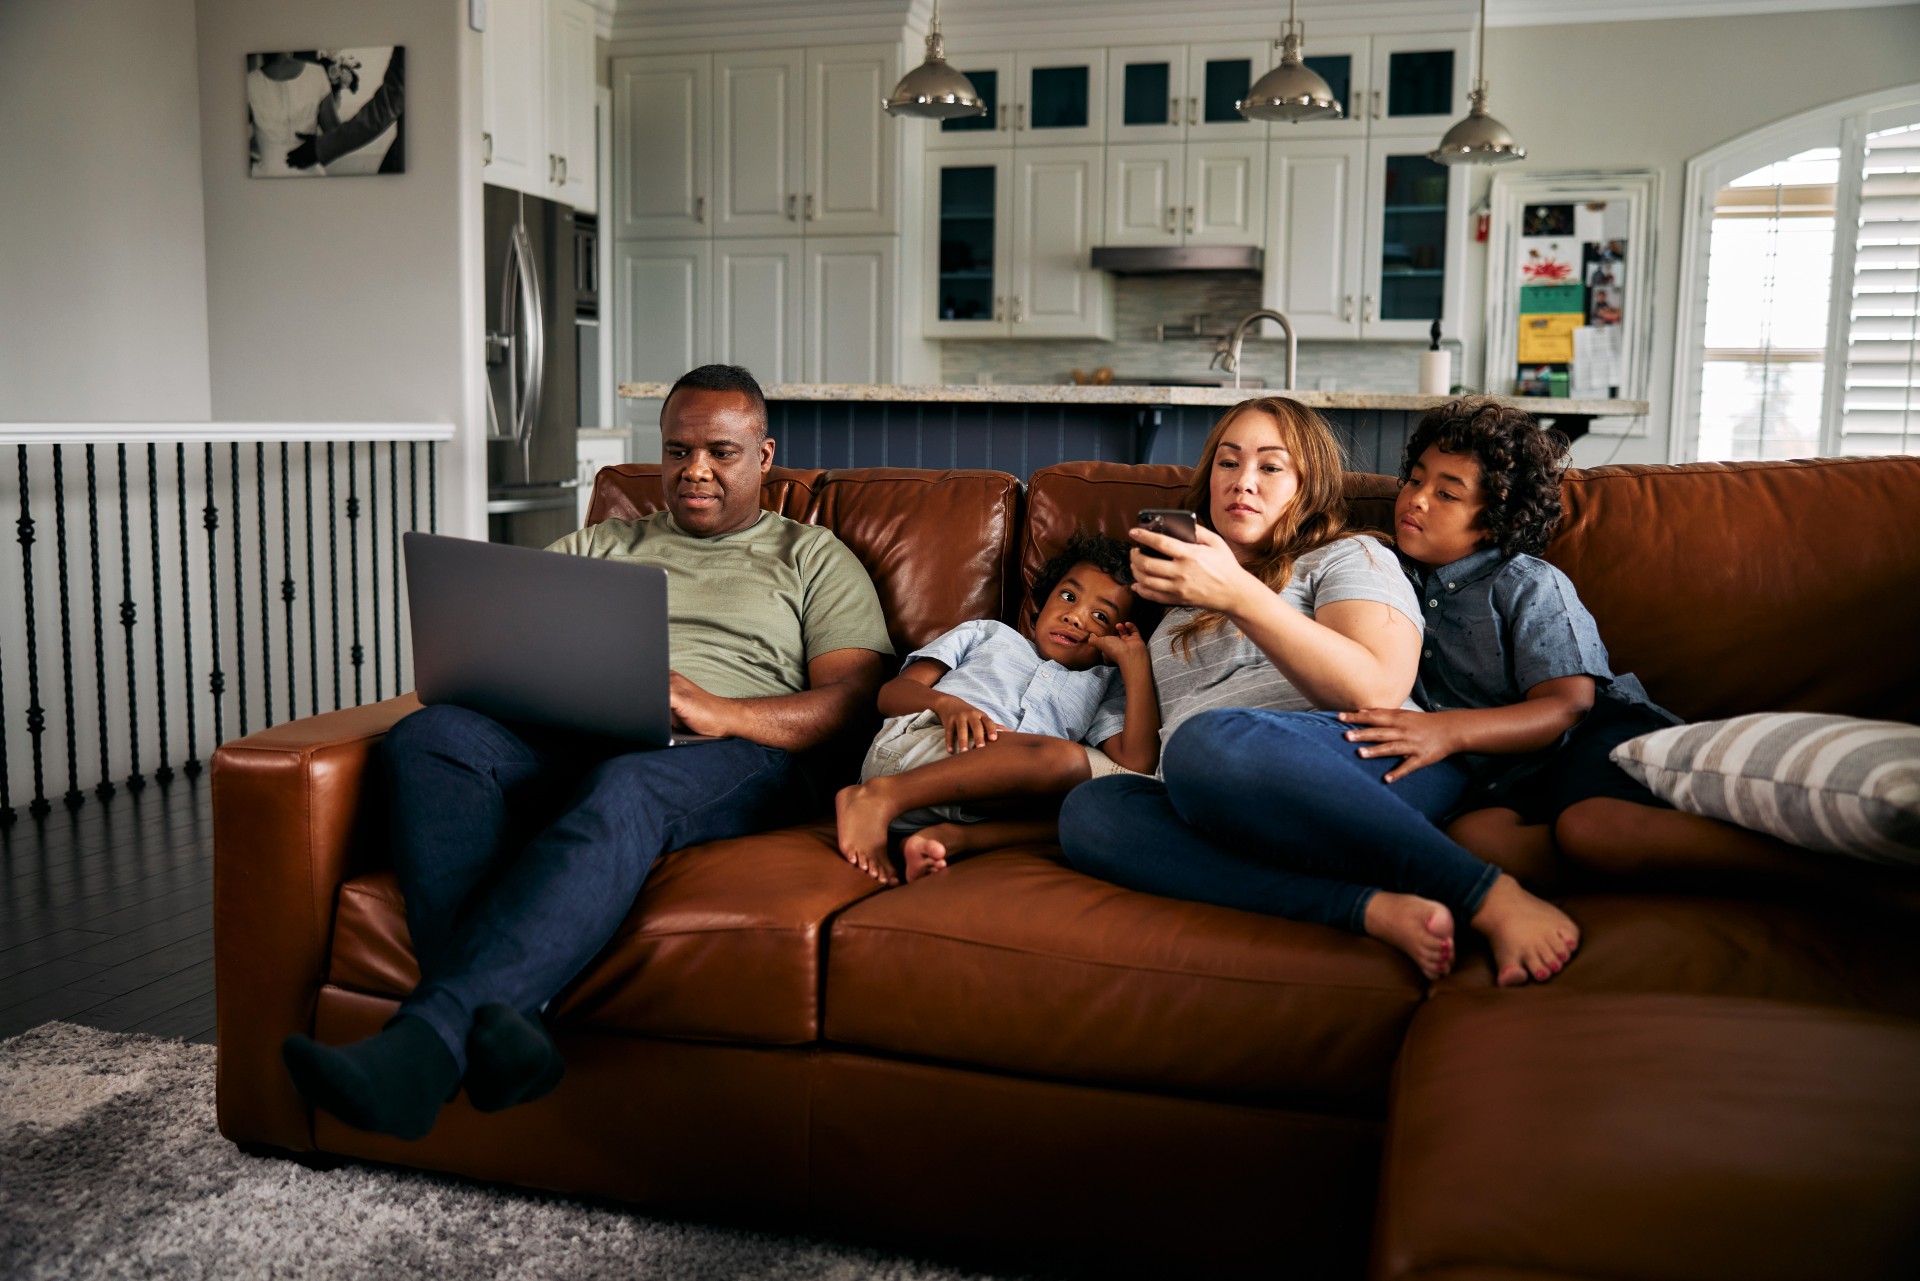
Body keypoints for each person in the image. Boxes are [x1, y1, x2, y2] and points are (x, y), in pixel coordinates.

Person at [281, 365, 893, 1140]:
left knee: (626, 784)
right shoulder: (601, 542)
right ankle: (501, 1028)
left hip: (733, 752)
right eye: (677, 450)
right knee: (431, 737)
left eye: (721, 452)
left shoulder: (812, 556)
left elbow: (846, 706)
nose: (694, 470)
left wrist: (717, 707)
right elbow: (512, 640)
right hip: (582, 734)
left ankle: (424, 1046)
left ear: (765, 455)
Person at [1057, 397, 1579, 986]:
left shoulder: (1349, 555)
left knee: (1208, 745)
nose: (1243, 483)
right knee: (1091, 812)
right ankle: (1369, 908)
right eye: (1228, 464)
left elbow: (1377, 688)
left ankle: (1484, 892)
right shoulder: (1176, 605)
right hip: (1214, 788)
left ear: (1307, 488)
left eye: (1270, 467)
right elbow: (1147, 750)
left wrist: (1238, 595)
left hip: (1362, 758)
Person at [1348, 397, 1810, 890]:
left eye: (1448, 494)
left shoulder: (1526, 582)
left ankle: (1813, 876)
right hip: (1509, 774)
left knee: (1591, 829)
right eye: (1416, 480)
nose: (1416, 499)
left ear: (1494, 517)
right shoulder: (1387, 575)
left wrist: (1449, 732)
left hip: (1585, 738)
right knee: (1476, 839)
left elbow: (1568, 706)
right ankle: (1630, 871)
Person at [835, 531, 1159, 885]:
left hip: (979, 809)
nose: (1075, 617)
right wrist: (947, 705)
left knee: (1102, 810)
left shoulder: (1102, 684)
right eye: (1068, 596)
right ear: (1044, 599)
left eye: (1100, 615)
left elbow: (1137, 763)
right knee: (1066, 760)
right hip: (918, 755)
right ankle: (877, 799)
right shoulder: (987, 634)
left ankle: (950, 840)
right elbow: (893, 694)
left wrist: (1135, 666)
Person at [248, 53, 337, 178]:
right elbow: (335, 133)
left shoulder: (249, 82)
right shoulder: (316, 74)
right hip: (309, 173)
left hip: (265, 174)